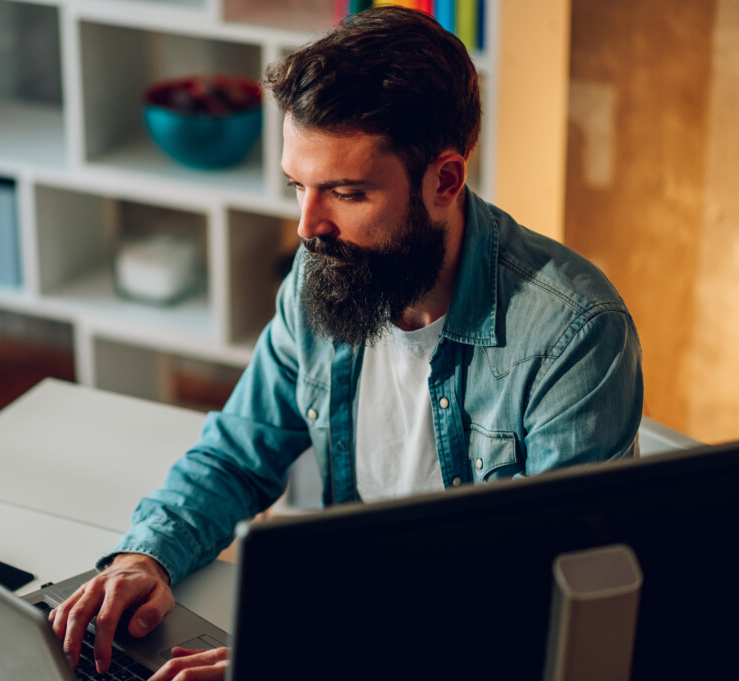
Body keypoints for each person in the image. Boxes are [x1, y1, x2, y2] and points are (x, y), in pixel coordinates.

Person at [50, 7, 644, 680]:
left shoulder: (574, 333)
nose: (307, 228)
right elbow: (238, 454)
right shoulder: (323, 272)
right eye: (298, 187)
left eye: (346, 192)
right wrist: (145, 557)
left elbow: (540, 601)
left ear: (445, 180)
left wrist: (308, 657)